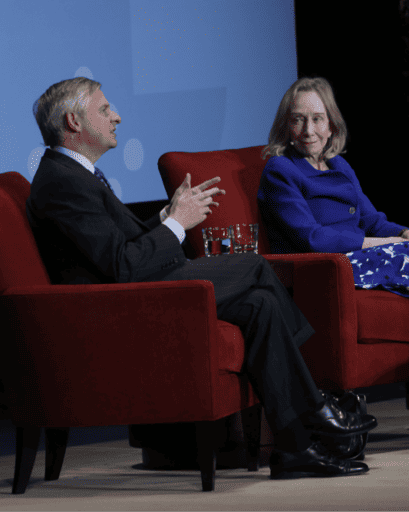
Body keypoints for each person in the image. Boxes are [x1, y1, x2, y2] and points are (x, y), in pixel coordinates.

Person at [27, 77, 377, 480]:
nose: (116, 116)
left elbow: (111, 248)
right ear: (73, 121)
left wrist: (163, 217)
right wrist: (177, 224)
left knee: (260, 305)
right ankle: (316, 403)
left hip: (137, 290)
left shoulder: (76, 176)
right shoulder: (62, 182)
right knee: (255, 266)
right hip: (118, 309)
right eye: (105, 110)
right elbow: (122, 266)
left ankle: (295, 447)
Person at [258, 76, 409, 299]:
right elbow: (312, 238)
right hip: (321, 267)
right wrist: (388, 242)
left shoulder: (339, 165)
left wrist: (403, 233)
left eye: (317, 119)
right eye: (298, 120)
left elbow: (371, 220)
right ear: (287, 126)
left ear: (331, 126)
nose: (308, 130)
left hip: (359, 257)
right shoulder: (280, 169)